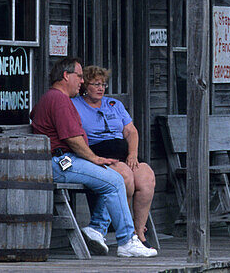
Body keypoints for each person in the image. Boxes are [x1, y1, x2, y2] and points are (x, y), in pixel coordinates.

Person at [30, 57, 156, 258]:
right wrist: (95, 159)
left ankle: (98, 229)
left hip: (63, 160)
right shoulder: (60, 100)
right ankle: (126, 240)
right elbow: (72, 139)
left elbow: (34, 113)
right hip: (61, 163)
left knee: (117, 178)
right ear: (65, 76)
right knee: (115, 180)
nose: (81, 81)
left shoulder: (52, 98)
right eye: (79, 77)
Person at [73, 66, 156, 246]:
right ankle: (125, 234)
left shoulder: (114, 105)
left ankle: (139, 231)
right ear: (85, 86)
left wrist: (133, 154)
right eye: (96, 84)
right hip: (98, 154)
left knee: (146, 176)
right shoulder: (75, 105)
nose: (101, 88)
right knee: (125, 176)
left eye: (103, 84)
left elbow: (131, 132)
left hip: (123, 153)